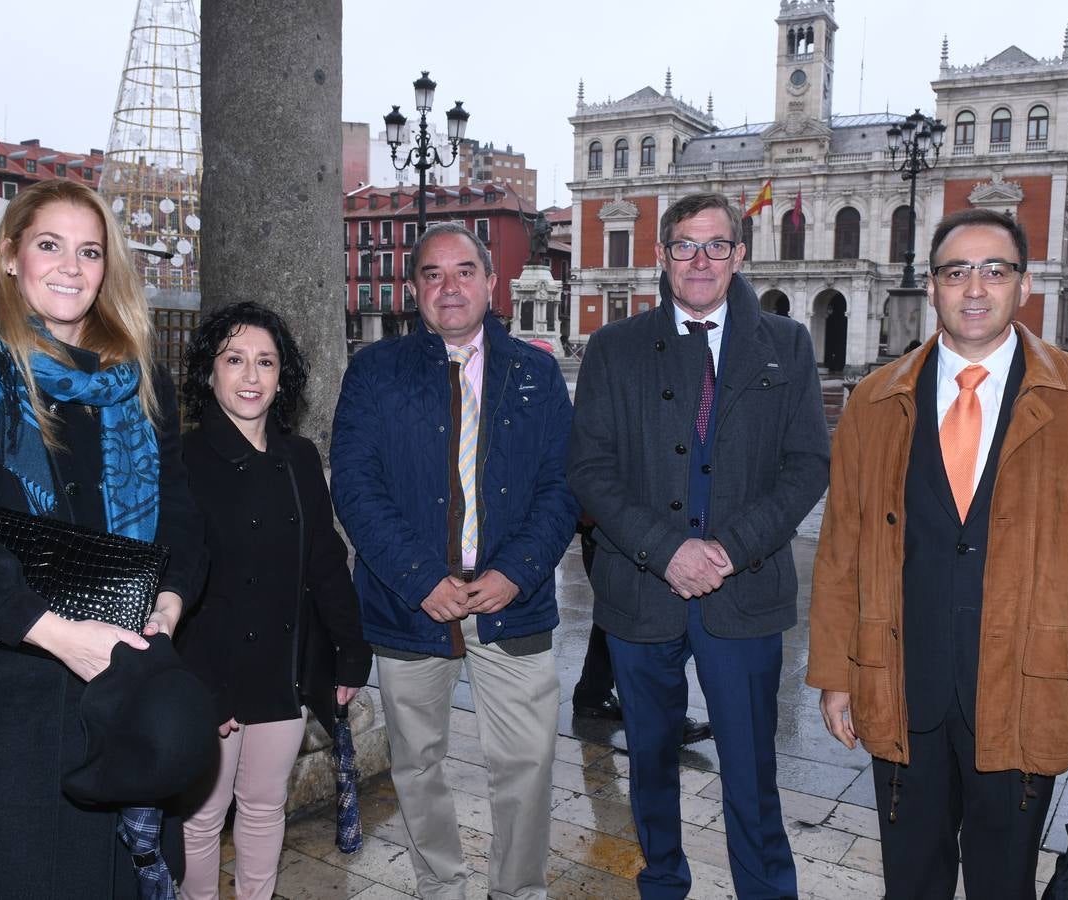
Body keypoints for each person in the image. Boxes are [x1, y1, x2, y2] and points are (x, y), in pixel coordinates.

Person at [807, 208, 1068, 900]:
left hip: (1026, 687)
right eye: (955, 271)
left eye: (995, 269)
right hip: (900, 683)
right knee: (910, 880)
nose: (974, 287)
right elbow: (841, 547)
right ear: (931, 287)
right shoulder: (874, 401)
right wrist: (833, 672)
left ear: (1024, 286)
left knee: (1003, 883)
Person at [0, 178, 205, 898]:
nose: (70, 266)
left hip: (120, 694)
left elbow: (183, 518)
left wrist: (172, 601)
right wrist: (56, 633)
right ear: (8, 257)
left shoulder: (142, 382)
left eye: (89, 252)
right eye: (50, 245)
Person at [568, 192, 830, 899]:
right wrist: (666, 550)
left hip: (742, 597)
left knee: (750, 773)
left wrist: (728, 549)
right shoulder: (613, 348)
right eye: (684, 244)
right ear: (661, 255)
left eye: (717, 245)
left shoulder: (787, 344)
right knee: (648, 766)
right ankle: (662, 884)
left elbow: (807, 464)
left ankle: (765, 892)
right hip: (640, 595)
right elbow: (588, 469)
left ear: (740, 254)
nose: (700, 260)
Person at [330, 221, 578, 900]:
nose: (449, 286)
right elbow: (354, 485)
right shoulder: (374, 373)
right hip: (410, 606)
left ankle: (517, 891)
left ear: (491, 282)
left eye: (463, 271)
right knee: (416, 764)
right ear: (414, 289)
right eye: (432, 274)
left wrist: (516, 571)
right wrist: (417, 580)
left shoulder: (534, 371)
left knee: (526, 761)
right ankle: (440, 885)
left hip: (511, 599)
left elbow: (564, 483)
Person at [175, 302, 372, 899]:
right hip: (209, 671)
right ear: (209, 373)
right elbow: (176, 577)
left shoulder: (299, 457)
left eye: (265, 361)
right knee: (202, 818)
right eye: (234, 360)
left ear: (283, 375)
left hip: (282, 670)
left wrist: (349, 652)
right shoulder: (181, 459)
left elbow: (326, 564)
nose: (251, 376)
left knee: (264, 808)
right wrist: (208, 684)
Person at [571, 520, 713, 746]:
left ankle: (594, 693)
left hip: (610, 531)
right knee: (628, 616)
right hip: (616, 533)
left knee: (617, 614)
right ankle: (663, 723)